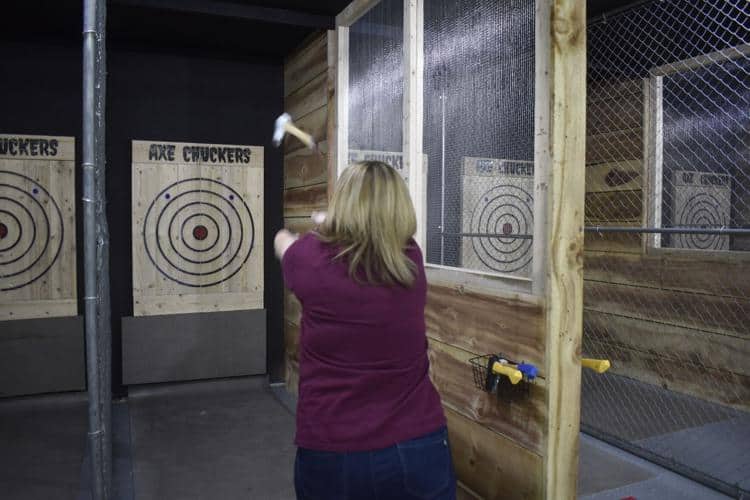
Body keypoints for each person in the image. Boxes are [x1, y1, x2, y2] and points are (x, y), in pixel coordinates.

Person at [275, 161, 456, 500]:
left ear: (343, 205)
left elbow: (282, 240)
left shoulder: (308, 260)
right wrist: (332, 224)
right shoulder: (410, 262)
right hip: (418, 445)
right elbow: (373, 239)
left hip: (334, 450)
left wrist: (322, 224)